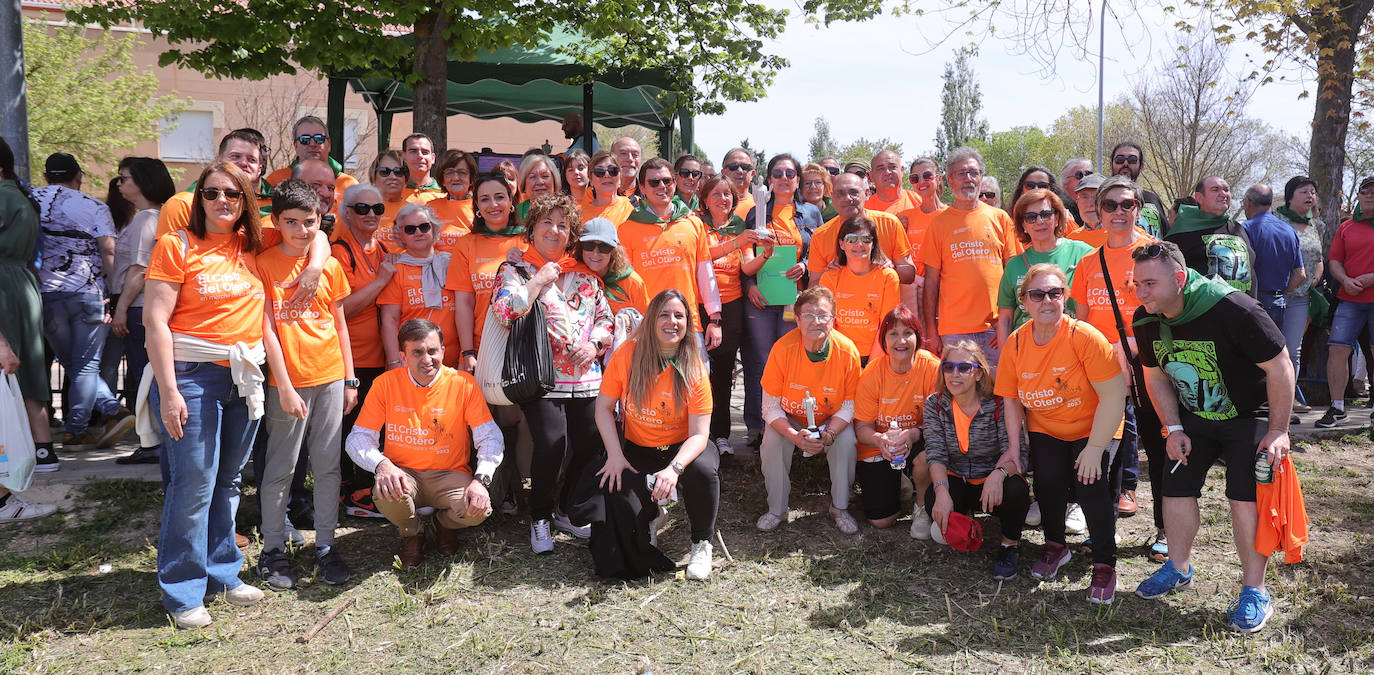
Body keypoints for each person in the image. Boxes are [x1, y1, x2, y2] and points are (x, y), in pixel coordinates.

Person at [143, 161, 284, 629]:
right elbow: (155, 322)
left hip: (243, 378)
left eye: (233, 194)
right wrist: (168, 392)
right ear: (198, 197)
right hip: (192, 375)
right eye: (212, 193)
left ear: (246, 200)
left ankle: (223, 571)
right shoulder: (176, 245)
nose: (222, 201)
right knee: (194, 484)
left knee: (227, 481)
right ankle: (183, 591)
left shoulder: (254, 246)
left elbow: (315, 230)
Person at [1131, 240, 1294, 634]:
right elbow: (1154, 376)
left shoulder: (1236, 310)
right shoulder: (1148, 317)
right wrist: (1173, 427)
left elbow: (1281, 367)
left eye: (1150, 283)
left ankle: (1255, 590)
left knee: (1244, 498)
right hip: (1195, 416)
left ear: (1181, 279)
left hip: (1248, 416)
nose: (1141, 292)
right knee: (1174, 488)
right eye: (1137, 284)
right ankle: (1178, 566)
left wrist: (1278, 431)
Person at [996, 263, 1128, 603]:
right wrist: (1014, 448)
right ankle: (1056, 546)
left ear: (1065, 297)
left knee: (1090, 486)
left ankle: (1104, 564)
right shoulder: (1016, 343)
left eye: (1055, 293)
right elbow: (1011, 400)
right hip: (1048, 426)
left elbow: (1115, 396)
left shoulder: (1083, 337)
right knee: (1049, 484)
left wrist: (1096, 447)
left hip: (1096, 424)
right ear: (1023, 300)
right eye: (1037, 294)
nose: (1047, 301)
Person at [492, 193, 612, 553]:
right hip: (542, 378)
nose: (554, 230)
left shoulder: (585, 277)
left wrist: (595, 345)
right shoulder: (514, 271)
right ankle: (540, 517)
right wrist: (538, 280)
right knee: (551, 444)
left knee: (592, 443)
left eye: (563, 225)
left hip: (588, 378)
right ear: (532, 228)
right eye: (547, 222)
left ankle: (569, 509)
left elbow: (605, 318)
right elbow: (504, 313)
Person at [254, 179, 355, 590]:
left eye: (309, 222)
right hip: (287, 385)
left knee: (328, 466)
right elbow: (267, 332)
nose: (301, 230)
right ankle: (273, 549)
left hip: (330, 376)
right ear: (276, 221)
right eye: (291, 222)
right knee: (281, 468)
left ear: (319, 221)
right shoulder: (263, 264)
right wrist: (285, 385)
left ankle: (327, 546)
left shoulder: (328, 266)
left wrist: (349, 377)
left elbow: (339, 322)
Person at [345, 318, 499, 568]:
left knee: (478, 510)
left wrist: (481, 481)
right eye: (417, 352)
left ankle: (444, 525)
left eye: (432, 351)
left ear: (443, 351)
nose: (427, 359)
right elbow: (357, 439)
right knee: (386, 490)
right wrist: (382, 465)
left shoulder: (463, 384)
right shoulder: (385, 384)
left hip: (450, 474)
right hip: (405, 475)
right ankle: (412, 533)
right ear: (402, 356)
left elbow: (490, 436)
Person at [588, 289, 718, 580]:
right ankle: (650, 518)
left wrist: (674, 469)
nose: (672, 321)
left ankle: (701, 543)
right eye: (664, 314)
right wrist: (615, 456)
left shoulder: (694, 365)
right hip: (639, 446)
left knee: (703, 470)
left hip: (683, 447)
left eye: (679, 316)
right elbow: (603, 409)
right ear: (650, 320)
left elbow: (700, 434)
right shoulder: (627, 355)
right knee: (616, 488)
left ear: (688, 324)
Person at [1069, 174, 1162, 551]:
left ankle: (1165, 531)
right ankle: (1101, 527)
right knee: (1104, 446)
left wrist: (1132, 343)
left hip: (1148, 363)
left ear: (1138, 209)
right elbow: (1081, 320)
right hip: (1102, 369)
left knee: (1158, 447)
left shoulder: (1156, 251)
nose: (1119, 212)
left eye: (1128, 205)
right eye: (1110, 205)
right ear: (1099, 211)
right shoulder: (1090, 261)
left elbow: (1167, 310)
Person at [33, 152, 129, 449]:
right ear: (79, 178)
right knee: (86, 366)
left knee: (73, 364)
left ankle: (111, 412)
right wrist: (116, 294)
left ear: (47, 177)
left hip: (45, 295)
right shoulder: (94, 206)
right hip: (88, 293)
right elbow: (108, 251)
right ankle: (78, 430)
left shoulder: (28, 200)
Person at [756, 287, 863, 534]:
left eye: (823, 315)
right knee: (772, 441)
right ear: (797, 320)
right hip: (790, 419)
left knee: (846, 441)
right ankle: (777, 509)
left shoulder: (847, 352)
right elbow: (770, 407)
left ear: (833, 320)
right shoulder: (782, 349)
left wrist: (832, 432)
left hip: (830, 420)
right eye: (809, 315)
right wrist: (794, 436)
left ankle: (840, 507)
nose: (816, 321)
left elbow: (849, 404)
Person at [922, 340, 1029, 579]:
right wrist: (941, 493)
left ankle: (1009, 545)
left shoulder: (999, 404)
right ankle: (965, 520)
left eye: (964, 368)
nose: (954, 374)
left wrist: (998, 474)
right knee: (933, 499)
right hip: (958, 478)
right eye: (948, 367)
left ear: (979, 373)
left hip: (992, 483)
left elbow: (1018, 453)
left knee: (1016, 489)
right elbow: (935, 453)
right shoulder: (935, 405)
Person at [740, 154, 821, 447]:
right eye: (778, 173)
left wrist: (807, 265)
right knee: (760, 361)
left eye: (790, 173)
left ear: (798, 179)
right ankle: (758, 426)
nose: (784, 178)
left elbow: (820, 252)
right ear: (769, 179)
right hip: (760, 298)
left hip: (794, 300)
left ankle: (790, 426)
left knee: (790, 362)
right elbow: (745, 252)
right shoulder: (756, 212)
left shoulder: (811, 213)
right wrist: (749, 284)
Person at [332, 183, 397, 517]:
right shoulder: (340, 252)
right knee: (353, 427)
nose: (371, 214)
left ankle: (362, 488)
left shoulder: (383, 248)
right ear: (347, 213)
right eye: (362, 209)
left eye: (377, 209)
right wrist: (380, 282)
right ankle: (355, 494)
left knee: (373, 426)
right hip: (351, 358)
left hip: (380, 357)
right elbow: (341, 309)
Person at [0, 136, 58, 504]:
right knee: (30, 366)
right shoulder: (19, 195)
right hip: (22, 283)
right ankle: (42, 447)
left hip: (6, 285)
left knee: (9, 369)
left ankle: (12, 463)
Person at [107, 157, 176, 465]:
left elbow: (138, 270)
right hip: (140, 307)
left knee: (146, 376)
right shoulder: (154, 217)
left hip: (138, 307)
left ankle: (155, 443)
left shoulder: (147, 219)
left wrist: (120, 308)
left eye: (124, 178)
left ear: (143, 181)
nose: (119, 184)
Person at [919, 146, 1017, 361]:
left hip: (995, 329)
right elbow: (931, 283)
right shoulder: (938, 223)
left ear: (981, 177)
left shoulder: (1000, 218)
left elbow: (1013, 274)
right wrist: (932, 331)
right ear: (950, 180)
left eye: (974, 172)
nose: (968, 179)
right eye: (961, 173)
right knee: (961, 392)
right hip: (954, 330)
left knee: (999, 391)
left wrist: (1006, 322)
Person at [619, 158, 722, 352]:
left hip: (689, 323)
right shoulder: (627, 229)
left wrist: (715, 317)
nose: (662, 186)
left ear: (674, 183)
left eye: (667, 181)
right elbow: (624, 283)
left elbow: (705, 273)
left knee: (694, 381)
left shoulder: (693, 223)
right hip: (647, 326)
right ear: (642, 187)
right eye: (654, 182)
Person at [853, 306, 940, 531]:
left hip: (919, 436)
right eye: (893, 334)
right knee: (881, 521)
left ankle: (921, 506)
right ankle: (900, 482)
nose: (900, 340)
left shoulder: (932, 367)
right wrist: (880, 440)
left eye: (907, 333)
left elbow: (939, 421)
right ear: (883, 340)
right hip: (880, 443)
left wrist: (912, 434)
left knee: (926, 458)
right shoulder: (871, 374)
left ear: (918, 337)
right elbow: (862, 427)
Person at [696, 176, 761, 455]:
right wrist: (735, 243)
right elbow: (700, 256)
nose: (723, 199)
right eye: (716, 194)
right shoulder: (696, 225)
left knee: (722, 375)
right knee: (697, 375)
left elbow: (747, 269)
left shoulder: (738, 226)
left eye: (728, 195)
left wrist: (766, 255)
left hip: (731, 306)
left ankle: (720, 435)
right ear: (705, 199)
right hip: (699, 306)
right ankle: (697, 434)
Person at [447, 173, 528, 373]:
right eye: (484, 199)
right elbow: (464, 304)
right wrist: (467, 352)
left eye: (500, 197)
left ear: (511, 203)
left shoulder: (530, 240)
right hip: (480, 349)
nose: (493, 204)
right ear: (477, 208)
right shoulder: (466, 244)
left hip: (522, 347)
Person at [995, 189, 1094, 347]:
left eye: (1046, 214)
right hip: (1027, 351)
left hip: (1074, 347)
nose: (1040, 221)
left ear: (1056, 218)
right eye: (1031, 217)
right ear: (1023, 225)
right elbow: (1005, 319)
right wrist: (1006, 360)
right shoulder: (1014, 265)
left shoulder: (1083, 253)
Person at [1317, 176, 1374, 428]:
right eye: (1366, 191)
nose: (1370, 195)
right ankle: (1337, 407)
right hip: (1349, 299)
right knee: (1338, 349)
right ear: (1359, 197)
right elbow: (1334, 261)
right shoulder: (1346, 227)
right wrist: (1344, 279)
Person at [379, 203, 459, 369]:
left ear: (434, 229)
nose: (418, 233)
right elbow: (389, 320)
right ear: (400, 234)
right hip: (412, 365)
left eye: (424, 227)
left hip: (453, 364)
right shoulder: (396, 270)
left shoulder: (452, 264)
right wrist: (394, 361)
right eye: (410, 229)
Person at [156, 128, 274, 237]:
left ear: (259, 168)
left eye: (251, 159)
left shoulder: (276, 204)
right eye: (235, 156)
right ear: (218, 161)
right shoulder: (183, 204)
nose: (243, 163)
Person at [807, 173, 915, 286]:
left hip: (883, 301)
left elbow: (910, 274)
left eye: (854, 192)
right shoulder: (821, 235)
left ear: (866, 194)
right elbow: (814, 285)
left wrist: (891, 268)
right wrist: (829, 274)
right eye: (840, 193)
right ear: (832, 198)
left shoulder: (890, 224)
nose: (847, 198)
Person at [1272, 176, 1324, 412]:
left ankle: (1288, 399)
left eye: (1312, 192)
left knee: (1293, 349)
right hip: (1275, 295)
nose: (1310, 196)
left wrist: (1313, 279)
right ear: (1290, 196)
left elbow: (1320, 259)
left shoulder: (1317, 225)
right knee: (1271, 347)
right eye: (1304, 192)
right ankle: (1265, 398)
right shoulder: (1276, 220)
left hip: (1301, 298)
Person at [1240, 185, 1305, 370]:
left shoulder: (1245, 229)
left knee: (1248, 360)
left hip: (1250, 301)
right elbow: (1300, 274)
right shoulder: (1289, 231)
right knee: (1273, 358)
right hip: (1277, 302)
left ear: (1248, 203)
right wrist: (1279, 292)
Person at [819, 215, 900, 360]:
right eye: (851, 239)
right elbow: (827, 324)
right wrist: (841, 359)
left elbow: (887, 325)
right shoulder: (830, 277)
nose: (858, 244)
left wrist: (871, 366)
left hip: (876, 355)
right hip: (839, 355)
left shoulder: (888, 277)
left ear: (873, 244)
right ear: (842, 244)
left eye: (866, 239)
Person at [1167, 176, 1256, 296]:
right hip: (1205, 311)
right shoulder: (1183, 232)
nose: (1223, 194)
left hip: (1245, 309)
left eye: (1226, 190)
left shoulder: (1237, 228)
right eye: (1215, 189)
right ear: (1199, 197)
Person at [263, 115, 359, 197]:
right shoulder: (276, 180)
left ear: (329, 144)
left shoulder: (350, 186)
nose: (312, 144)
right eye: (305, 139)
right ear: (295, 146)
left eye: (319, 139)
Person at [579, 217, 647, 318]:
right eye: (589, 245)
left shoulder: (632, 282)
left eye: (604, 247)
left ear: (614, 251)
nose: (595, 253)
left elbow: (646, 321)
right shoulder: (573, 276)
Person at [1108, 142, 1170, 236]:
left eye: (1132, 160)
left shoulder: (1152, 199)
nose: (1125, 163)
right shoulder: (1102, 199)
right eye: (1119, 159)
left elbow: (1166, 235)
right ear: (1111, 165)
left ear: (1141, 166)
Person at [898, 157, 947, 265]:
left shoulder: (951, 215)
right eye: (915, 178)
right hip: (912, 281)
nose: (921, 182)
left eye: (927, 176)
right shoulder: (904, 218)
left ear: (938, 179)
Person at [429, 149, 478, 249]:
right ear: (443, 180)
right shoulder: (430, 208)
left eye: (462, 172)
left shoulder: (480, 206)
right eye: (449, 173)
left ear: (471, 180)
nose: (456, 178)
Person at [581, 150, 635, 226]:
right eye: (599, 171)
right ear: (591, 179)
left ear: (620, 176)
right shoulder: (579, 216)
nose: (606, 175)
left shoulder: (635, 207)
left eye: (613, 170)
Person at [370, 150, 410, 247]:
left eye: (398, 172)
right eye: (385, 172)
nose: (392, 177)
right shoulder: (359, 209)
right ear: (374, 177)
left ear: (406, 179)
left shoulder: (414, 212)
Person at [866, 150, 921, 215]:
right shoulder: (864, 210)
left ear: (902, 171)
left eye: (892, 167)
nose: (887, 172)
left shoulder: (919, 202)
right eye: (881, 168)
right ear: (872, 176)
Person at [292, 159, 342, 231]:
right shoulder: (273, 233)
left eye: (330, 188)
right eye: (316, 185)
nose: (326, 194)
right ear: (294, 186)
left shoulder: (340, 235)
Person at [1067, 173, 1108, 248]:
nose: (1090, 204)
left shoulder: (1126, 236)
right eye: (1084, 197)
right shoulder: (1071, 241)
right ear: (1077, 202)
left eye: (1096, 197)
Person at [515, 153, 562, 220]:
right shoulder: (515, 214)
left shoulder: (566, 212)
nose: (540, 182)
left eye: (545, 176)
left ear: (554, 180)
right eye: (532, 177)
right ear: (524, 183)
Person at [401, 133, 442, 202]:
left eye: (425, 152)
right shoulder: (394, 192)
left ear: (433, 158)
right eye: (413, 151)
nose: (420, 156)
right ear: (404, 157)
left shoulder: (446, 193)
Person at [722, 148, 758, 217]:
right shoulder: (712, 204)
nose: (739, 171)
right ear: (724, 173)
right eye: (733, 166)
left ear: (752, 174)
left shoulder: (761, 205)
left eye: (745, 167)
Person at [1060, 158, 1094, 227]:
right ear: (1065, 182)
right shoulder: (1059, 208)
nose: (1085, 179)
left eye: (1088, 174)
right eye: (1079, 175)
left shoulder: (1099, 204)